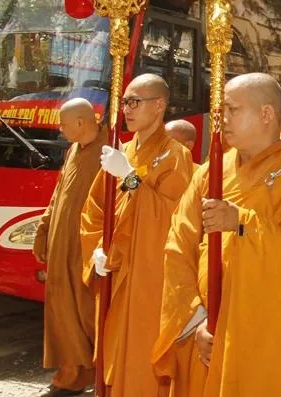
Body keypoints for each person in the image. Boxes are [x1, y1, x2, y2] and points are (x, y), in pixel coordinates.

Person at [153, 73, 281, 396]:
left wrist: (242, 223)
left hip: (263, 339)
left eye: (232, 109)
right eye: (223, 109)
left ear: (267, 114)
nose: (223, 118)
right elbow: (178, 243)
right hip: (204, 335)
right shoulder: (211, 172)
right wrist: (195, 318)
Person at [81, 74, 193, 397]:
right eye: (124, 102)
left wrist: (129, 177)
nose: (127, 110)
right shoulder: (121, 151)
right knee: (111, 354)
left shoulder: (175, 155)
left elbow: (174, 219)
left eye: (134, 102)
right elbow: (94, 212)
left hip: (149, 277)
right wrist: (96, 252)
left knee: (141, 362)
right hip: (116, 272)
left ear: (159, 106)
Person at [32, 98, 106, 397]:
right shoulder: (74, 150)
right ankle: (72, 367)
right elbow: (58, 194)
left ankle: (84, 370)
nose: (60, 129)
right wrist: (43, 228)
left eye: (63, 124)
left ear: (81, 122)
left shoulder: (108, 151)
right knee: (61, 307)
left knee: (84, 309)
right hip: (61, 243)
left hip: (86, 248)